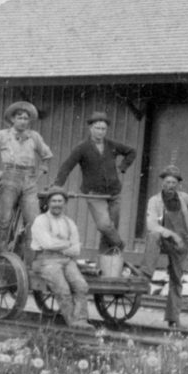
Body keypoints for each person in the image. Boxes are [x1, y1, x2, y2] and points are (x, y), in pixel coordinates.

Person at [53, 111, 137, 272]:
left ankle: (104, 269)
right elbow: (67, 166)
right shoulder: (82, 148)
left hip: (114, 194)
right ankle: (120, 244)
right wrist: (57, 186)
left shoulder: (111, 145)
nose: (100, 132)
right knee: (105, 226)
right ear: (90, 128)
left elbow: (131, 152)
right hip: (94, 194)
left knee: (109, 233)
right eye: (97, 128)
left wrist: (122, 168)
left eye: (103, 129)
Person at [0, 101, 53, 253]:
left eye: (26, 118)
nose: (23, 121)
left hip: (29, 180)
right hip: (9, 177)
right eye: (19, 117)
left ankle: (31, 258)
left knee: (34, 221)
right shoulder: (1, 135)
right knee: (4, 219)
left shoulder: (34, 136)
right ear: (12, 119)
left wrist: (40, 173)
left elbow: (47, 155)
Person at [144, 165, 188, 330]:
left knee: (176, 280)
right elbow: (151, 225)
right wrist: (171, 234)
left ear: (178, 184)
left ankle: (173, 318)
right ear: (162, 183)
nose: (170, 185)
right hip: (164, 240)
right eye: (167, 182)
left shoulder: (185, 199)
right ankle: (146, 275)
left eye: (173, 182)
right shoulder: (155, 201)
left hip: (180, 245)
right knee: (153, 235)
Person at [30, 186, 91, 329]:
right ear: (48, 203)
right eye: (54, 201)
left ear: (65, 203)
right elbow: (47, 244)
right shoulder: (41, 220)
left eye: (60, 201)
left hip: (67, 260)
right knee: (63, 288)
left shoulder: (69, 223)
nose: (57, 204)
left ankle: (82, 320)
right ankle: (73, 323)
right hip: (45, 260)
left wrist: (62, 246)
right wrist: (67, 244)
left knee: (81, 286)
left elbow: (76, 249)